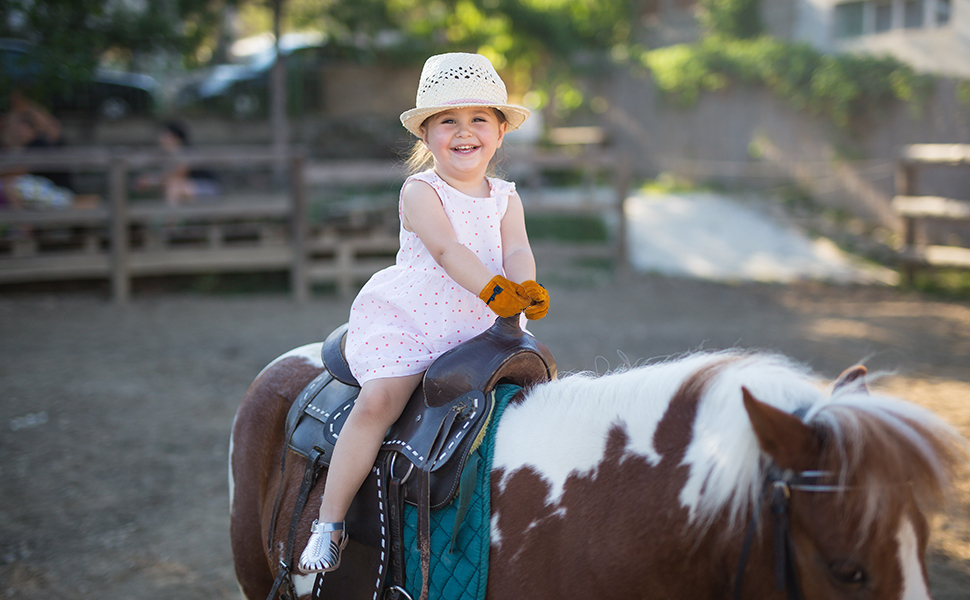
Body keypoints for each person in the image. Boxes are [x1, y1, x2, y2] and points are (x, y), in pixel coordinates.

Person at [298, 52, 549, 575]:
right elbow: (447, 251)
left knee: (540, 392)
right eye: (447, 122)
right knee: (380, 402)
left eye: (479, 119)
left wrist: (524, 286)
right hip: (421, 317)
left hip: (485, 318)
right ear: (427, 136)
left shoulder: (506, 197)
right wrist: (494, 289)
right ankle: (329, 522)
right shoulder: (421, 191)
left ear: (500, 133)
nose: (464, 132)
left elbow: (518, 248)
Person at [135, 120, 220, 206]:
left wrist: (150, 181)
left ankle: (170, 218)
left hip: (208, 187)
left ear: (175, 137)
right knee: (171, 187)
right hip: (189, 188)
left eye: (164, 134)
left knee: (173, 187)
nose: (161, 137)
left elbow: (176, 176)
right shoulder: (167, 155)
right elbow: (166, 178)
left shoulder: (186, 153)